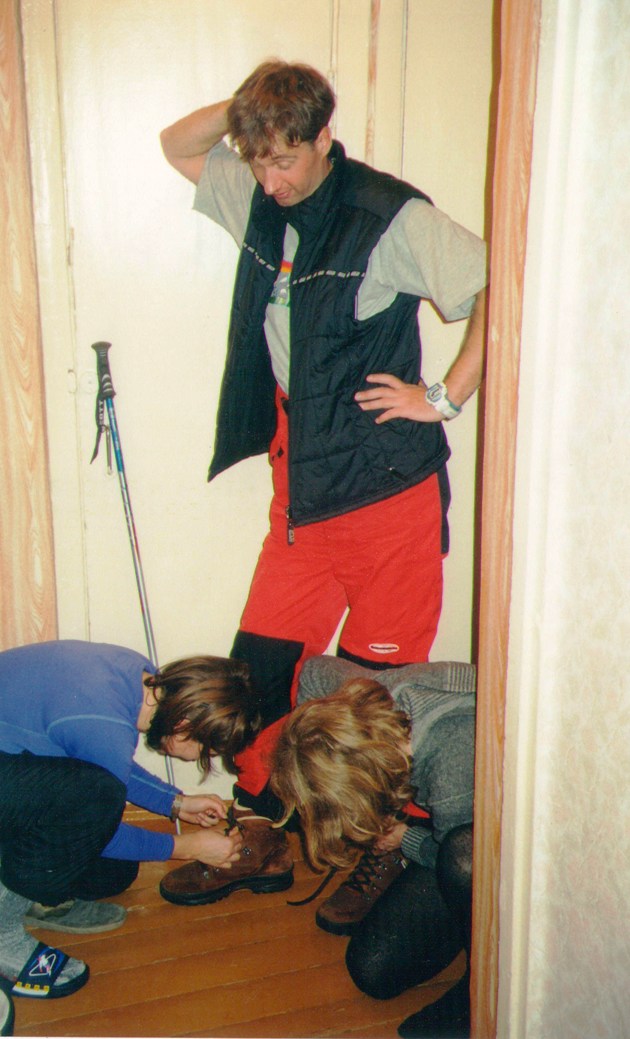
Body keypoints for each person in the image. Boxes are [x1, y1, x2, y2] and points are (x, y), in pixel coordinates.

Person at [160, 60, 488, 816]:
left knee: (374, 704)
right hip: (302, 502)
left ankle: (381, 846)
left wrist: (445, 397)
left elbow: (503, 288)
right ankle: (263, 825)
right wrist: (251, 111)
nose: (269, 180)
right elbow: (177, 145)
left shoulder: (386, 214)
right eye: (257, 160)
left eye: (284, 159)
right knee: (259, 679)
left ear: (322, 137)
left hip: (387, 501)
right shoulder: (259, 197)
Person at [0, 639, 260, 1001]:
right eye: (205, 750)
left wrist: (175, 803)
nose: (197, 759)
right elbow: (96, 813)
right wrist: (186, 847)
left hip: (14, 770)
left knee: (114, 872)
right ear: (184, 724)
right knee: (96, 804)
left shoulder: (140, 675)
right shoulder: (103, 721)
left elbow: (105, 761)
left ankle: (31, 892)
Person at [270, 655, 476, 1039]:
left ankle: (482, 989)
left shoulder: (449, 757)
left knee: (461, 855)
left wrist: (404, 838)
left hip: (511, 853)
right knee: (374, 971)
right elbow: (315, 669)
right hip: (460, 827)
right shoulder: (366, 704)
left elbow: (471, 862)